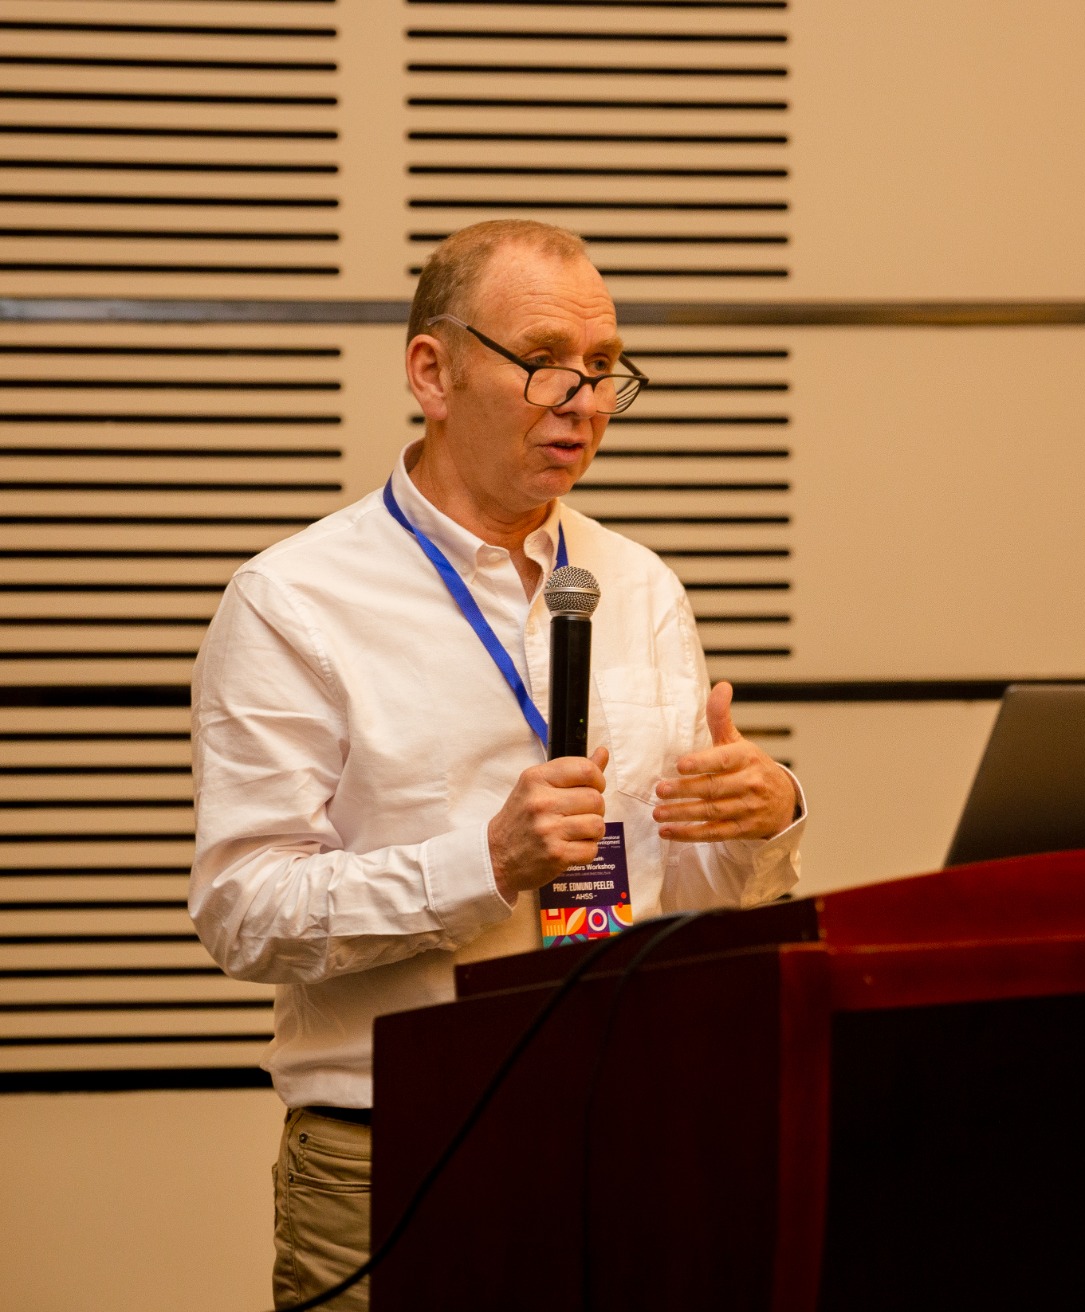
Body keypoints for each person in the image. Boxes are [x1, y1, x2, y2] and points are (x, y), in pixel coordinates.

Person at [188, 219, 806, 1310]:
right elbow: (244, 911)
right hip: (394, 1153)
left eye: (606, 369)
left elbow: (679, 902)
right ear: (433, 369)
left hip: (618, 1138)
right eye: (543, 362)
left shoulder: (642, 587)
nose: (582, 398)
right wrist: (485, 862)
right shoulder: (295, 603)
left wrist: (756, 826)